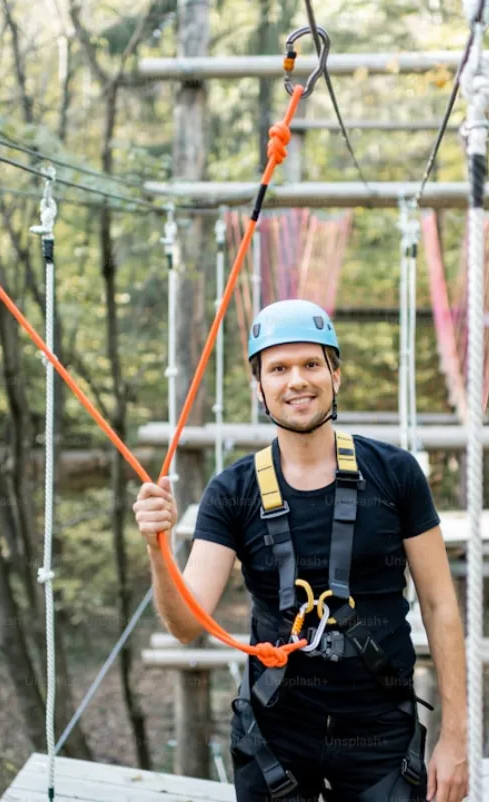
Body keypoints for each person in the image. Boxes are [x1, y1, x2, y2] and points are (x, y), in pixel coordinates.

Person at [135, 299, 468, 802]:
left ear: (336, 376)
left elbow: (441, 605)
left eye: (312, 364)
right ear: (259, 387)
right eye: (278, 369)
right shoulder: (233, 492)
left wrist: (456, 737)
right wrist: (157, 550)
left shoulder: (395, 474)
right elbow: (187, 625)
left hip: (380, 732)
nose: (297, 381)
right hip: (276, 736)